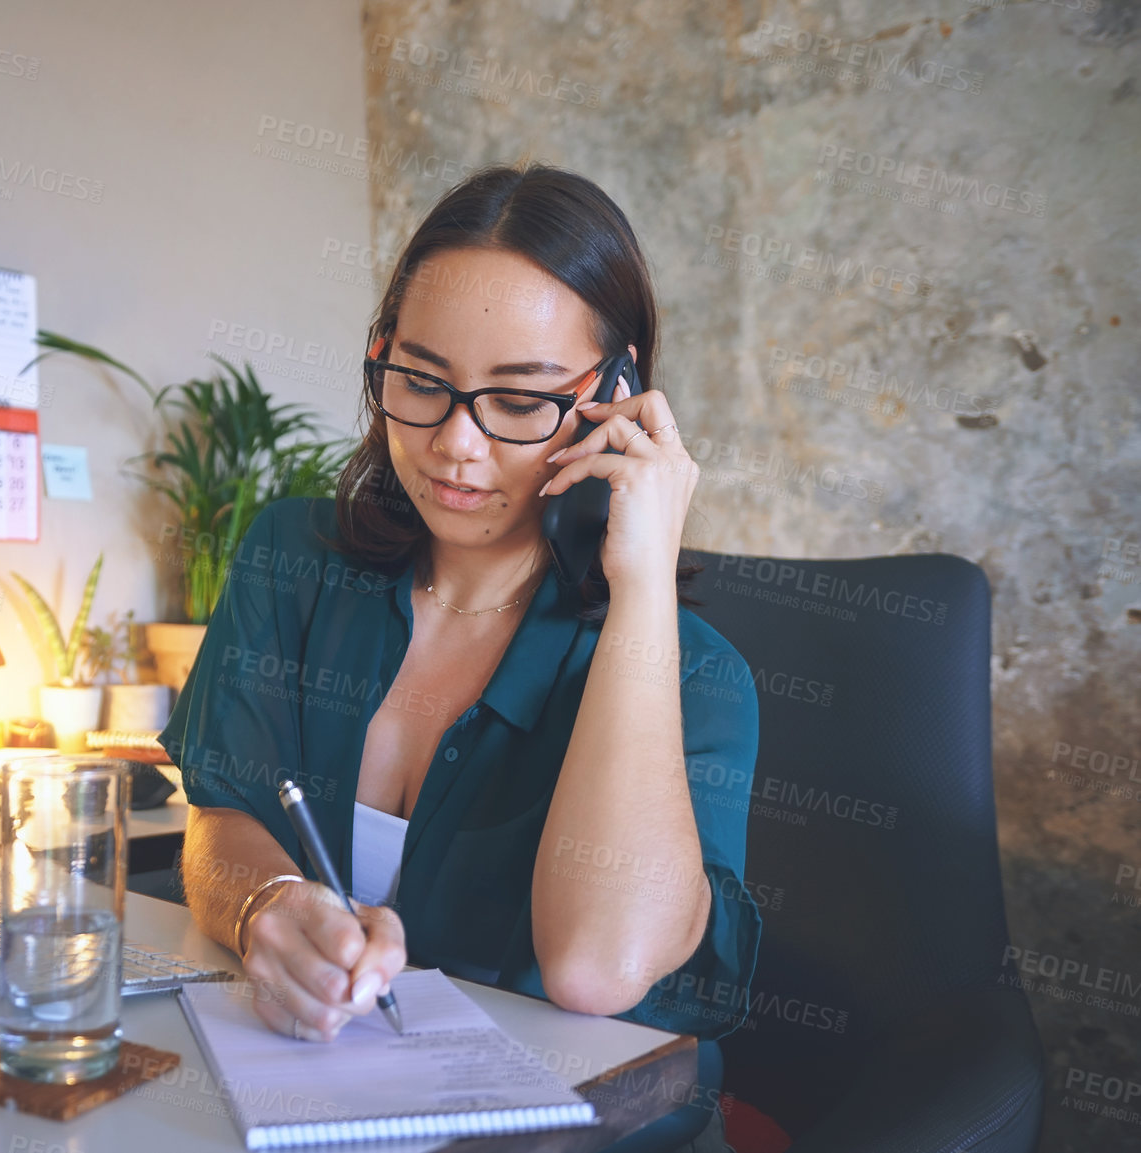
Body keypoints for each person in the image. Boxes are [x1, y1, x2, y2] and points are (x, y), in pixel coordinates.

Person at [157, 164, 759, 1149]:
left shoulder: (694, 674)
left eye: (519, 402)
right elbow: (223, 819)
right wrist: (269, 906)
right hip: (323, 1114)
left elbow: (595, 967)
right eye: (422, 382)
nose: (455, 447)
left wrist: (640, 582)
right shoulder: (291, 563)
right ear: (381, 356)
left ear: (616, 393)